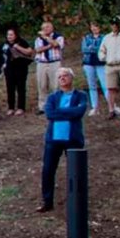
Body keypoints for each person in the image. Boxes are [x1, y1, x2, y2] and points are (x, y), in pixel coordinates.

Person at [38, 67, 89, 212]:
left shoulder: (80, 95)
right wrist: (69, 112)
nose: (62, 78)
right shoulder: (53, 97)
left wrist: (59, 112)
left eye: (65, 75)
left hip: (73, 138)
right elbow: (49, 114)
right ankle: (47, 201)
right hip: (53, 139)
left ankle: (78, 201)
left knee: (76, 171)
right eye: (60, 76)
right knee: (48, 170)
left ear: (71, 78)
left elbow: (79, 112)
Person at [99, 17, 120, 119]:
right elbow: (101, 50)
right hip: (110, 65)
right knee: (111, 88)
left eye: (116, 24)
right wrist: (104, 58)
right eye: (113, 24)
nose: (114, 26)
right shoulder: (107, 37)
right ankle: (111, 109)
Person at [33, 21, 65, 114]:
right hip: (42, 63)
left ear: (52, 28)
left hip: (54, 63)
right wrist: (49, 45)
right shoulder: (38, 39)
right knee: (41, 85)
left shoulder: (58, 37)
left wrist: (47, 39)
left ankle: (56, 105)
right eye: (43, 28)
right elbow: (38, 50)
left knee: (55, 85)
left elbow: (56, 44)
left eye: (47, 27)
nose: (45, 29)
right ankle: (43, 107)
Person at [2, 29, 34, 116]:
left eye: (11, 35)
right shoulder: (5, 44)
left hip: (21, 68)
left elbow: (29, 51)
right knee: (10, 88)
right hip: (9, 69)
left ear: (15, 35)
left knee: (21, 88)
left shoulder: (21, 42)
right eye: (8, 35)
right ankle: (11, 107)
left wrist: (17, 47)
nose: (9, 36)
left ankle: (21, 107)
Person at [80, 22, 108, 116]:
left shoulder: (104, 37)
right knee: (92, 85)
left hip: (101, 63)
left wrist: (92, 48)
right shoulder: (86, 37)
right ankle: (94, 107)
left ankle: (111, 105)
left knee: (105, 84)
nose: (94, 28)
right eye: (92, 27)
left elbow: (104, 49)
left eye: (96, 26)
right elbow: (84, 49)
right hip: (89, 63)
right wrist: (96, 49)